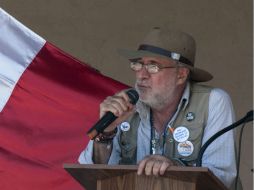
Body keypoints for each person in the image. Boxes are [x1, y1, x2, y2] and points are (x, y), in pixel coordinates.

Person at [79, 27, 237, 189]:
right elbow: (91, 176)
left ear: (181, 75)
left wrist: (174, 167)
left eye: (153, 66)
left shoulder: (213, 101)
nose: (142, 75)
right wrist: (106, 133)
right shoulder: (126, 102)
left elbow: (222, 178)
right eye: (138, 65)